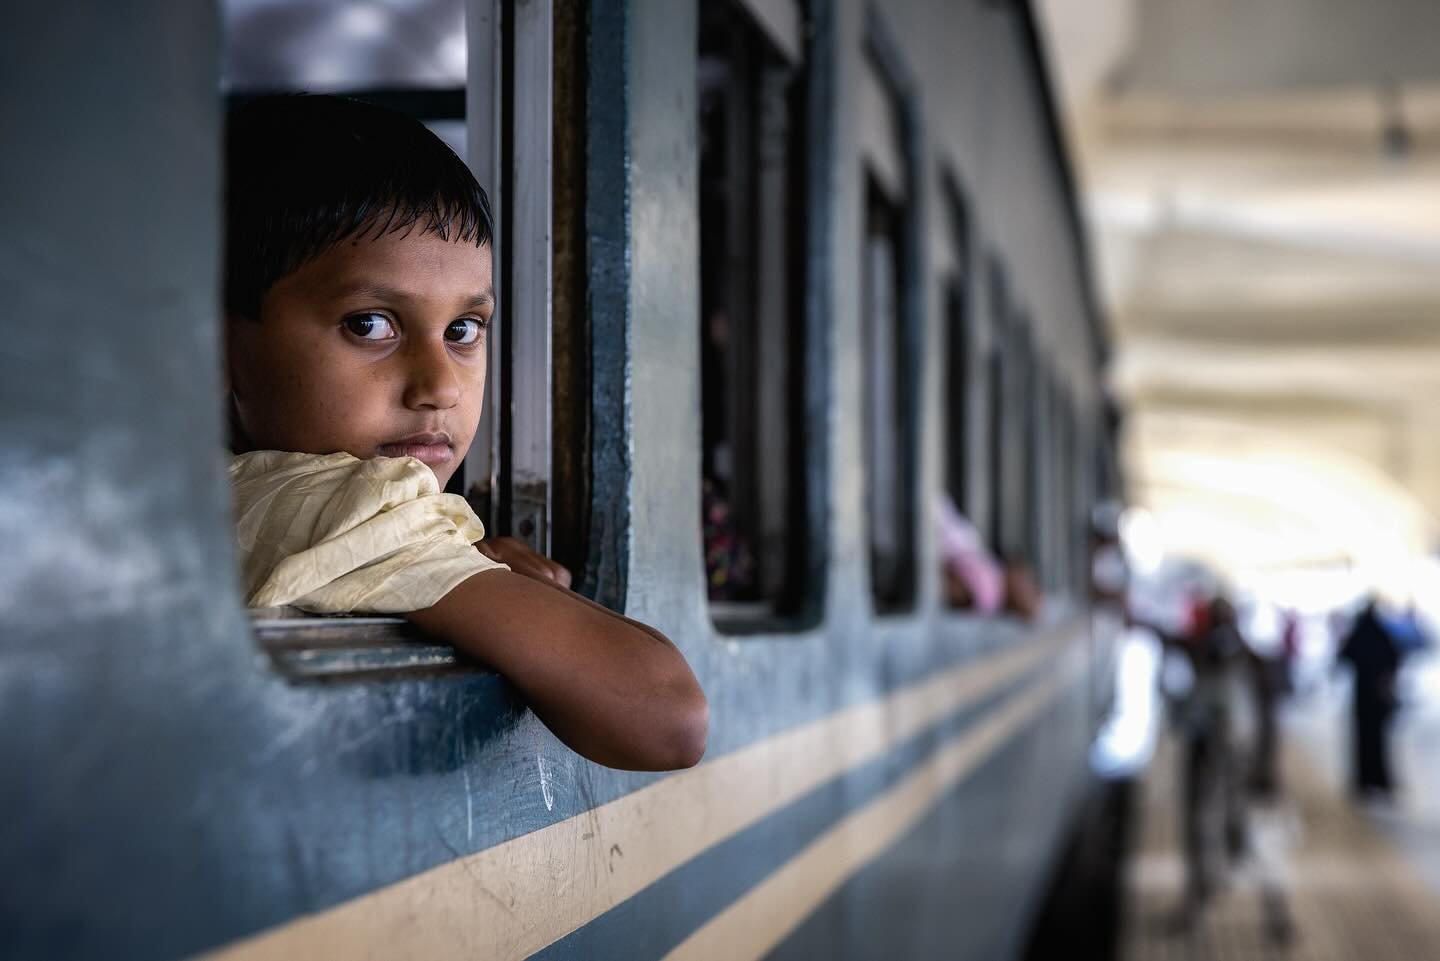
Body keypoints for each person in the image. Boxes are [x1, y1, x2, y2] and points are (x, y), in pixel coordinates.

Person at [224, 94, 707, 772]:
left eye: (463, 330)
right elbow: (667, 714)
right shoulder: (344, 508)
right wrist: (501, 585)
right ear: (214, 352)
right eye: (370, 324)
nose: (441, 385)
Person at [1336, 599, 1401, 798]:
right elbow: (1395, 657)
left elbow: (1343, 656)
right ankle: (1378, 781)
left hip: (1363, 696)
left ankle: (1365, 781)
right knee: (1377, 741)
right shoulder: (1381, 634)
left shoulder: (1360, 634)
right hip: (1376, 696)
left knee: (1365, 741)